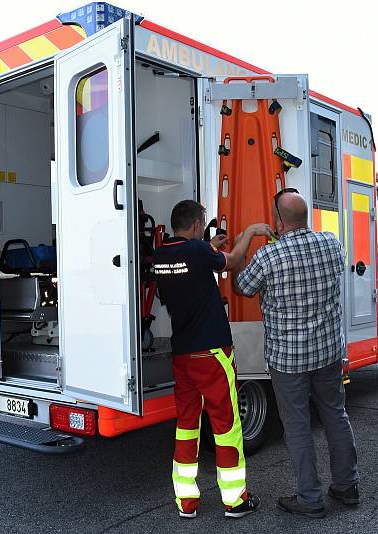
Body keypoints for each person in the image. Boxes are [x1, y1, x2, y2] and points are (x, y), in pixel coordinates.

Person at [233, 189, 361, 519]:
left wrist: (243, 242)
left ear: (277, 221)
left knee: (298, 427)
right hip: (328, 351)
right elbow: (340, 263)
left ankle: (310, 498)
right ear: (305, 217)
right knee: (335, 414)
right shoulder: (331, 243)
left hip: (289, 360)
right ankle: (347, 486)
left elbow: (241, 287)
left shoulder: (268, 256)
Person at [153, 199, 272, 519]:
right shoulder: (197, 252)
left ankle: (186, 501)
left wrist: (207, 246)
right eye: (201, 226)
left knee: (187, 425)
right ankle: (235, 500)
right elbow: (232, 261)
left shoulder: (162, 254)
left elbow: (192, 260)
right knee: (226, 424)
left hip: (183, 354)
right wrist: (249, 232)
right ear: (195, 225)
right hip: (212, 353)